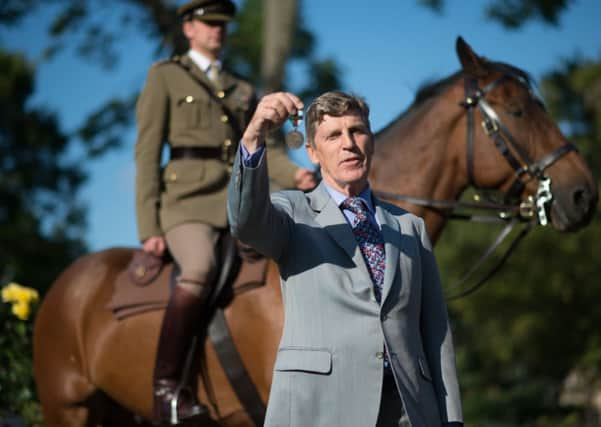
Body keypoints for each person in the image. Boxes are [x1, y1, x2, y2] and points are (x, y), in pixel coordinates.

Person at [227, 90, 464, 426]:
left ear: (371, 139)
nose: (348, 143)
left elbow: (436, 335)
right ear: (312, 151)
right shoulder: (293, 212)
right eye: (333, 135)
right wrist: (253, 138)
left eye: (357, 131)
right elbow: (246, 221)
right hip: (320, 408)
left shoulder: (411, 228)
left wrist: (451, 420)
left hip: (409, 412)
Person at [134, 0, 316, 422]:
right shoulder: (165, 76)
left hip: (238, 201)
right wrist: (149, 225)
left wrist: (298, 176)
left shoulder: (241, 89)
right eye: (209, 22)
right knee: (199, 267)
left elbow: (264, 149)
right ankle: (166, 391)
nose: (218, 30)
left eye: (223, 24)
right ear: (188, 28)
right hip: (187, 205)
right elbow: (147, 151)